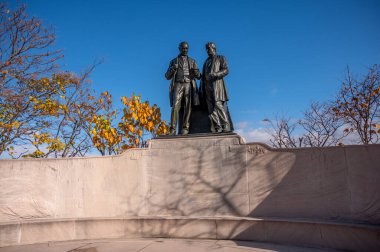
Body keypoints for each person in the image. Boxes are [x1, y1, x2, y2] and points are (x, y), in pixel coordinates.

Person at [165, 41, 201, 135]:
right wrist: (173, 69)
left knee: (188, 107)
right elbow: (167, 76)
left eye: (186, 48)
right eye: (183, 48)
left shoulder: (192, 61)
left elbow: (198, 76)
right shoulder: (173, 61)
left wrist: (196, 72)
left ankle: (185, 128)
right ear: (179, 48)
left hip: (188, 84)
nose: (185, 50)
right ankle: (172, 129)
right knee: (175, 106)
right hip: (178, 84)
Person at [200, 42, 233, 133]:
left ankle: (225, 125)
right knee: (210, 109)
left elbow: (226, 70)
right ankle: (217, 127)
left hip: (217, 86)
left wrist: (216, 74)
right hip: (207, 87)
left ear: (214, 48)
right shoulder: (206, 62)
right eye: (206, 49)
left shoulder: (220, 58)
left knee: (218, 105)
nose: (207, 50)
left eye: (209, 48)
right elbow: (203, 76)